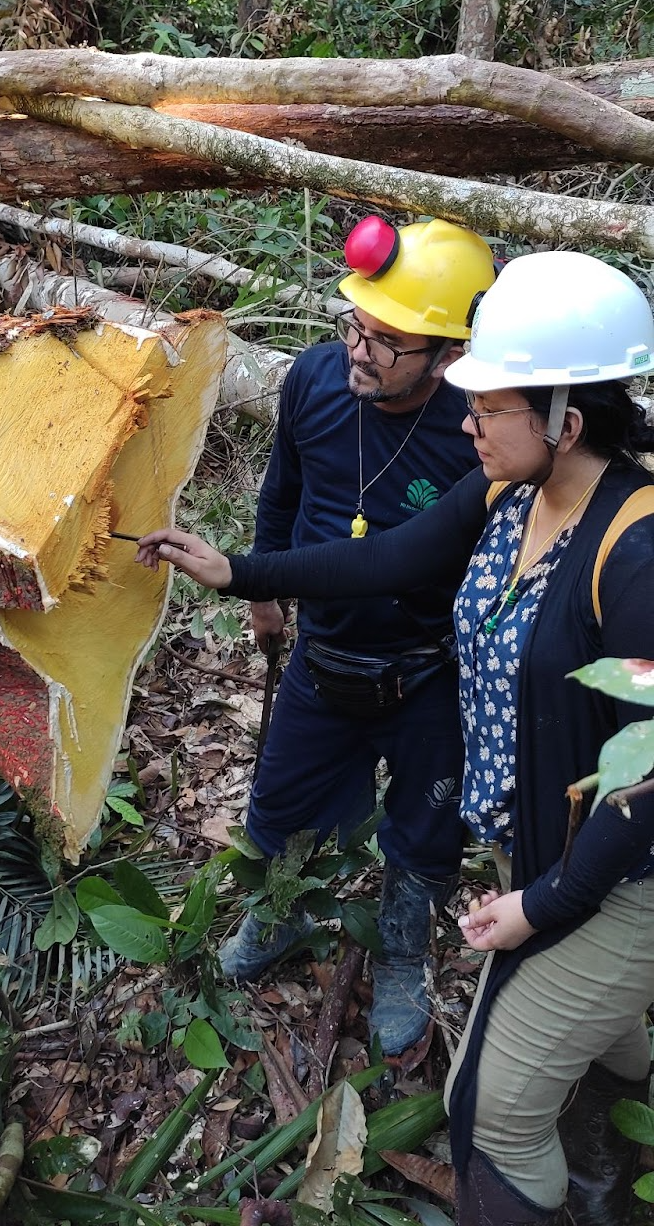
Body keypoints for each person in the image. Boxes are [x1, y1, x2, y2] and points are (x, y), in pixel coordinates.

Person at [138, 249, 654, 1226]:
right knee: (609, 1038)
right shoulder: (512, 497)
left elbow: (651, 769)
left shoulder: (635, 554)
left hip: (614, 876)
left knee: (484, 1114)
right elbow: (388, 556)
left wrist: (544, 903)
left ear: (565, 421)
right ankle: (614, 1169)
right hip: (545, 849)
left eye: (488, 408)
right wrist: (242, 571)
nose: (468, 426)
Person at [168, 214, 494, 1055]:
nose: (360, 349)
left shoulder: (478, 433)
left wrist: (247, 571)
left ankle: (399, 951)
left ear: (448, 355)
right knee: (280, 805)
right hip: (323, 655)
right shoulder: (314, 380)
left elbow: (397, 558)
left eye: (388, 341)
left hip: (428, 670)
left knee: (426, 832)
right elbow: (282, 495)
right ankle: (281, 910)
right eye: (355, 324)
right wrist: (265, 598)